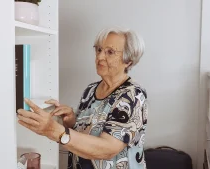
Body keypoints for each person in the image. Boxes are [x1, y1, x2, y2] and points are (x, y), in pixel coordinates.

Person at [17, 27, 148, 169]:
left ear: (128, 60)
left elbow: (108, 149)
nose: (100, 57)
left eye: (110, 52)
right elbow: (86, 134)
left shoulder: (133, 95)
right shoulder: (91, 90)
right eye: (98, 50)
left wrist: (54, 130)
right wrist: (72, 121)